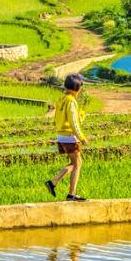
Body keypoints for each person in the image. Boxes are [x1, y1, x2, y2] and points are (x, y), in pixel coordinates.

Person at [45, 74, 88, 202]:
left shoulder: (62, 99)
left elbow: (60, 118)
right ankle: (71, 194)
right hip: (70, 136)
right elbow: (73, 121)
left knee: (75, 163)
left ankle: (53, 182)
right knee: (78, 164)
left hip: (61, 135)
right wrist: (82, 137)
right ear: (78, 88)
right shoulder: (71, 101)